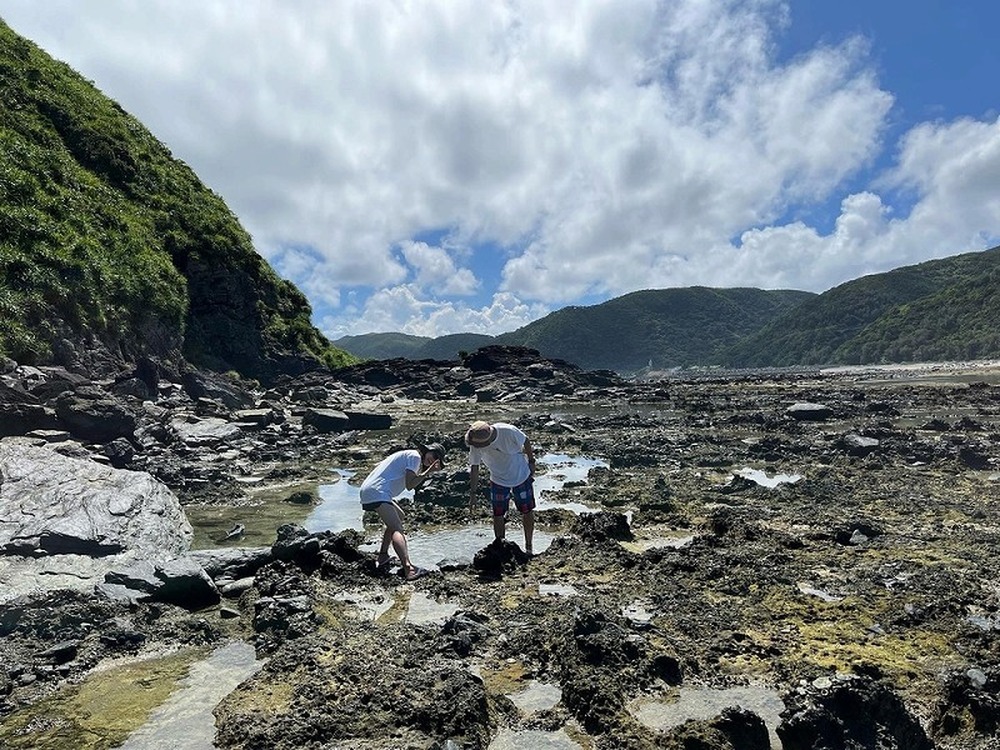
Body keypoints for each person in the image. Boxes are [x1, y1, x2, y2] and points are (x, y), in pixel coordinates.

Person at [360, 442, 446, 581]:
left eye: (438, 460)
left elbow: (410, 483)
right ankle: (409, 568)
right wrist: (428, 472)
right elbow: (410, 485)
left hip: (374, 491)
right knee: (397, 528)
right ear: (426, 451)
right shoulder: (415, 456)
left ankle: (383, 556)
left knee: (400, 516)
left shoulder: (412, 457)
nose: (434, 460)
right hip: (377, 492)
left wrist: (426, 472)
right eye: (434, 455)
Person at [465, 420, 537, 555]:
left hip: (521, 475)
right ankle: (501, 548)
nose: (478, 447)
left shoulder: (507, 431)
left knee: (527, 511)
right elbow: (474, 467)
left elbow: (526, 440)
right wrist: (473, 494)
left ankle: (529, 547)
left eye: (481, 445)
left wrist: (532, 462)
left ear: (488, 441)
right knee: (498, 514)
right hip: (498, 480)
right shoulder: (475, 442)